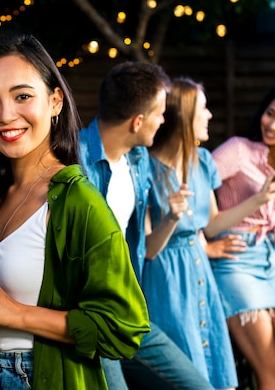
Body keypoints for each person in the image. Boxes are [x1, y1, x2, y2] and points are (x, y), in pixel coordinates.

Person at [0, 31, 149, 390]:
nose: (6, 115)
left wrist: (16, 313)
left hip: (42, 376)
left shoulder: (79, 202)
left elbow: (124, 329)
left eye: (22, 96)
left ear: (55, 101)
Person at [78, 61, 214, 390]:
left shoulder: (138, 160)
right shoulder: (75, 163)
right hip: (91, 320)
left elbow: (144, 247)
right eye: (159, 113)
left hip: (129, 313)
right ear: (138, 121)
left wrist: (172, 217)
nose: (164, 120)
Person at [206, 81, 275, 388]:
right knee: (272, 374)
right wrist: (204, 244)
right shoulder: (239, 150)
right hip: (234, 260)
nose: (272, 124)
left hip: (271, 264)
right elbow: (195, 180)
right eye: (270, 114)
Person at [142, 77, 240, 389]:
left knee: (211, 362)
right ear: (184, 117)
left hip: (198, 271)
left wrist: (261, 199)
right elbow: (147, 249)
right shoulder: (145, 167)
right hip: (165, 279)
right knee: (184, 369)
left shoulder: (203, 161)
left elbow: (211, 224)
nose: (210, 115)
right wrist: (171, 217)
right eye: (204, 108)